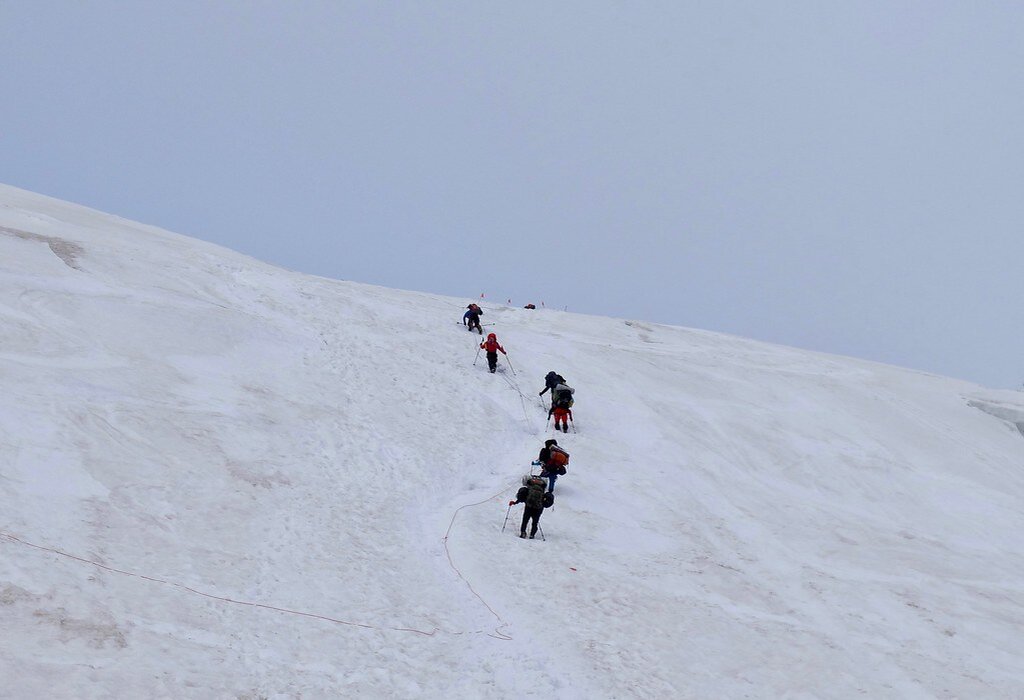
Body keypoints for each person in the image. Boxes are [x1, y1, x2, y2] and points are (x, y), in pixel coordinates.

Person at [509, 474, 548, 539]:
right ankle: (532, 534)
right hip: (538, 508)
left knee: (525, 520)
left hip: (528, 506)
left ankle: (523, 533)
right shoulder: (542, 487)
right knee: (535, 522)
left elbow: (522, 497)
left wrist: (515, 502)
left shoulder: (529, 487)